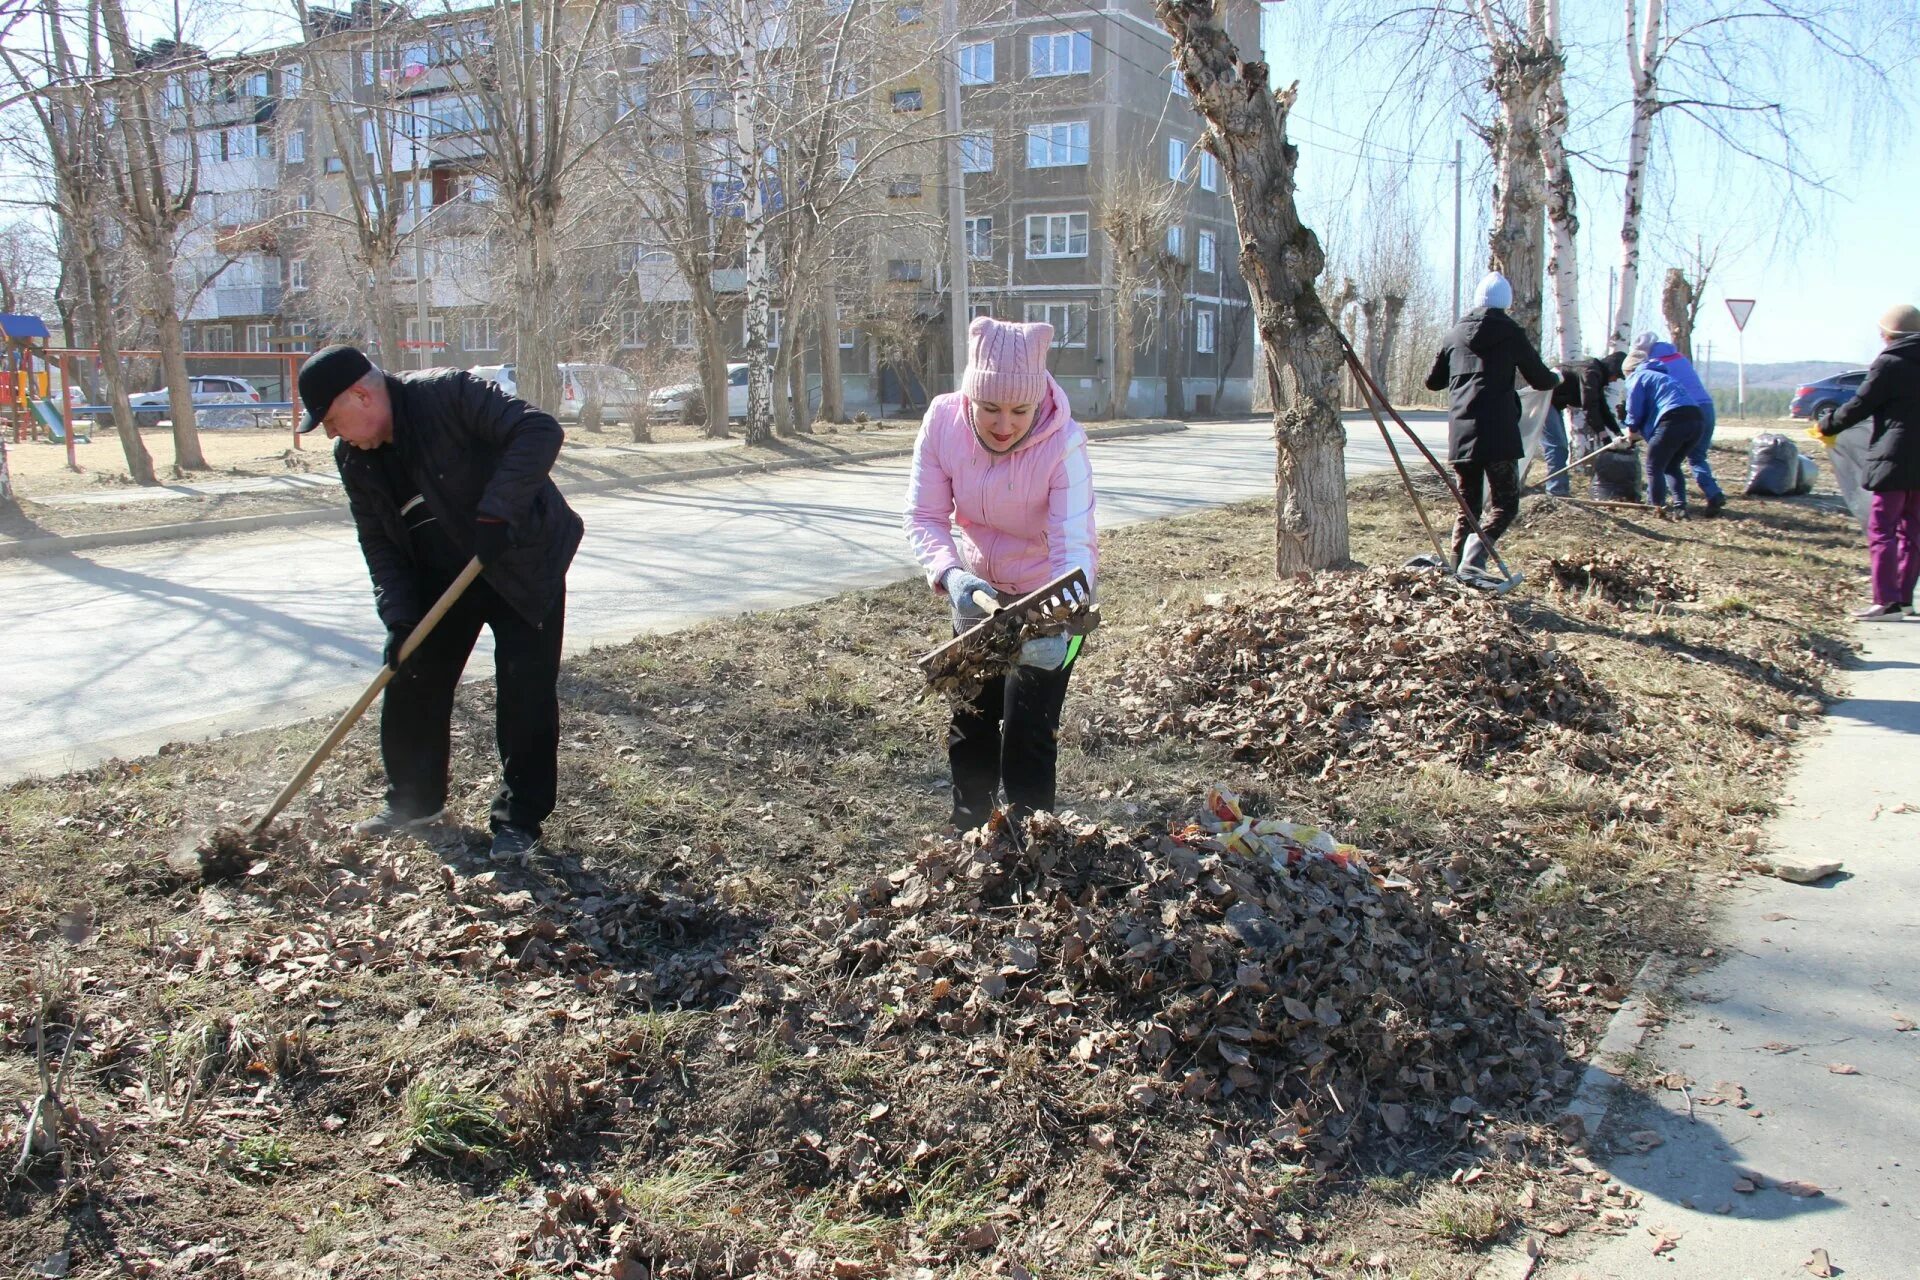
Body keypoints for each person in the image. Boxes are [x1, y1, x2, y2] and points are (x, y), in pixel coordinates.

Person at [296, 345, 584, 860]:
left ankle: (520, 818)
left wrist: (498, 514)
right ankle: (414, 802)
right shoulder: (355, 461)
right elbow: (378, 543)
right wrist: (399, 615)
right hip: (442, 577)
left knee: (525, 688)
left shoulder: (447, 394)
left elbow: (539, 430)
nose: (334, 435)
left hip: (521, 558)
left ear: (362, 394)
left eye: (333, 420)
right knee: (412, 674)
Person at [904, 316, 1097, 829]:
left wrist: (1058, 619)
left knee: (1030, 729)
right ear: (970, 397)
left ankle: (1031, 844)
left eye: (1020, 410)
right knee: (972, 719)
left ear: (1038, 402)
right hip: (978, 593)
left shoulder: (1065, 446)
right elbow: (924, 516)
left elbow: (1074, 547)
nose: (1005, 424)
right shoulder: (943, 422)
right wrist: (951, 576)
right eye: (990, 408)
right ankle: (970, 834)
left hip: (1047, 597)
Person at [1425, 271, 1561, 569]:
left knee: (1468, 505)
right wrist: (1556, 378)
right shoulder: (1511, 333)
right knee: (1505, 505)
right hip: (1499, 433)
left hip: (1461, 432)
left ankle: (1456, 563)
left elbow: (1432, 383)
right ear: (1506, 303)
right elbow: (1539, 379)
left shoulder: (1454, 335)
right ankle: (1475, 556)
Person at [1815, 304, 1920, 620]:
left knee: (1882, 527)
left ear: (1888, 334)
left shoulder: (1889, 363)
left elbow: (1861, 404)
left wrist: (1827, 424)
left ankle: (1885, 601)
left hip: (1894, 457)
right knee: (1913, 530)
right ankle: (1903, 599)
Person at [1634, 332, 1726, 515]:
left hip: (1684, 410)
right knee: (1698, 457)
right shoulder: (1678, 357)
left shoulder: (1653, 366)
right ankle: (1713, 493)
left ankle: (1658, 502)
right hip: (1706, 408)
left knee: (1664, 462)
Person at [1620, 339, 1704, 520]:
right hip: (1696, 419)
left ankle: (1656, 507)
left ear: (1629, 370)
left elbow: (1634, 408)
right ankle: (1680, 508)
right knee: (1672, 465)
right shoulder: (1664, 377)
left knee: (1653, 466)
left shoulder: (1638, 377)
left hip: (1673, 420)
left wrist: (1631, 429)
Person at [1549, 350, 1629, 495]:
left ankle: (1560, 490)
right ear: (1612, 368)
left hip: (1552, 404)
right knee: (1557, 447)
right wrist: (1604, 436)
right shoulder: (1590, 372)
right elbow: (1590, 407)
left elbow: (1602, 407)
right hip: (1543, 401)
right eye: (1617, 375)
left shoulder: (1595, 373)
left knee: (1559, 447)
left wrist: (1617, 432)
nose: (1615, 380)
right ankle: (1556, 492)